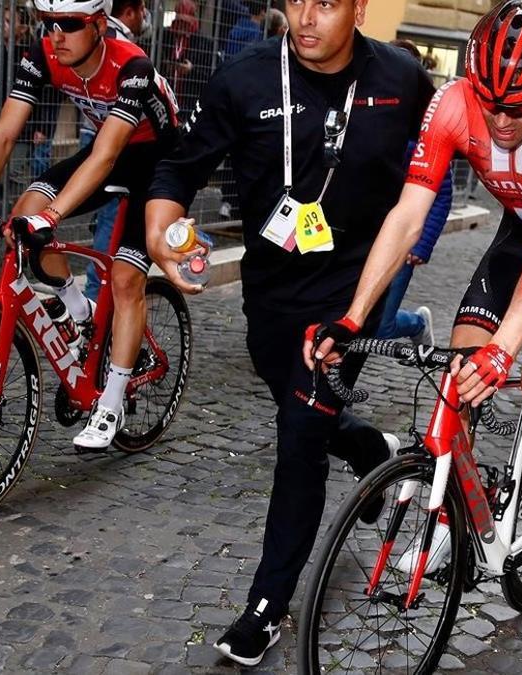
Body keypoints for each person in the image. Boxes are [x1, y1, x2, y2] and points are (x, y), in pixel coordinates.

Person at [145, 0, 435, 664]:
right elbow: (177, 170)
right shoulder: (242, 79)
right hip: (271, 290)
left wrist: (416, 239)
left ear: (359, 7)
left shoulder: (401, 78)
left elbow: (446, 154)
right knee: (296, 401)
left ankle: (266, 607)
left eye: (326, 3)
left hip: (353, 290)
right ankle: (368, 444)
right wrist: (161, 231)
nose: (306, 16)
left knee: (300, 433)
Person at [311, 0, 522, 574]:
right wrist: (352, 315)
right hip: (516, 234)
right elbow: (406, 215)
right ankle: (453, 515)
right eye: (490, 104)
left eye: (517, 109)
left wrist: (505, 348)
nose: (500, 121)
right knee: (459, 378)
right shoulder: (452, 103)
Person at [0, 0, 180, 450]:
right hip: (108, 156)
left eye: (69, 25)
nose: (56, 34)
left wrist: (50, 218)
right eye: (48, 23)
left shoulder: (132, 64)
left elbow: (107, 153)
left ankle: (110, 402)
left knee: (128, 278)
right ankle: (78, 306)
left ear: (97, 25)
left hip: (161, 162)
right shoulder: (43, 54)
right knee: (21, 218)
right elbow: (5, 132)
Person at [375, 37, 456, 346]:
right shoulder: (368, 115)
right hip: (363, 236)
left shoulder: (428, 130)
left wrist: (421, 244)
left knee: (381, 327)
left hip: (402, 241)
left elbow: (443, 193)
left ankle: (418, 324)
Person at [78, 0, 150, 302]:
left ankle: (97, 304)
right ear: (130, 11)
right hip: (116, 141)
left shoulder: (107, 41)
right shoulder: (117, 44)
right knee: (109, 222)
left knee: (108, 222)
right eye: (143, 9)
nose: (145, 18)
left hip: (99, 135)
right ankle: (95, 301)